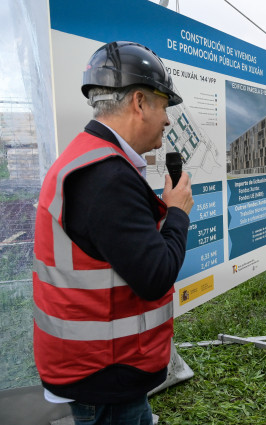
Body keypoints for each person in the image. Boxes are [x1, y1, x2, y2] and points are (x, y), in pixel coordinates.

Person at [32, 41, 194, 424]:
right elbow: (155, 276)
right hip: (103, 373)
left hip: (95, 364)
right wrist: (177, 213)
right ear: (140, 103)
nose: (168, 121)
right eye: (164, 106)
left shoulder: (89, 158)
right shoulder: (107, 177)